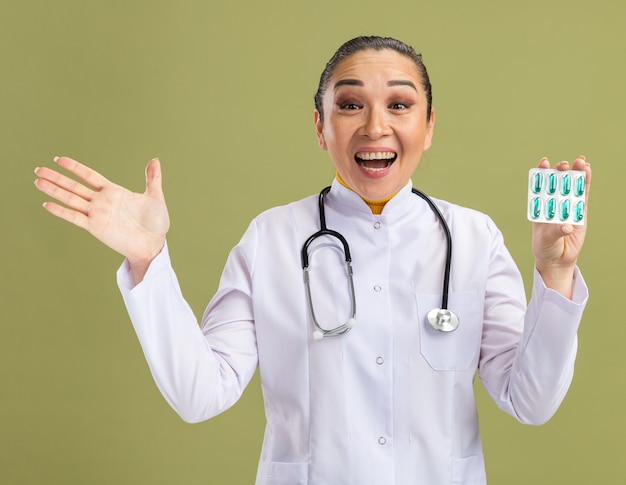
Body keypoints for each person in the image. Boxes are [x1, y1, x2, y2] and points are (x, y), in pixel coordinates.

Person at [34, 35, 591, 485]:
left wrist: (556, 272)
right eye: (350, 105)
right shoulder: (271, 239)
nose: (376, 126)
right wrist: (147, 258)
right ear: (321, 128)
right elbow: (200, 393)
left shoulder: (473, 238)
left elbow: (530, 400)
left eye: (400, 104)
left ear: (429, 126)